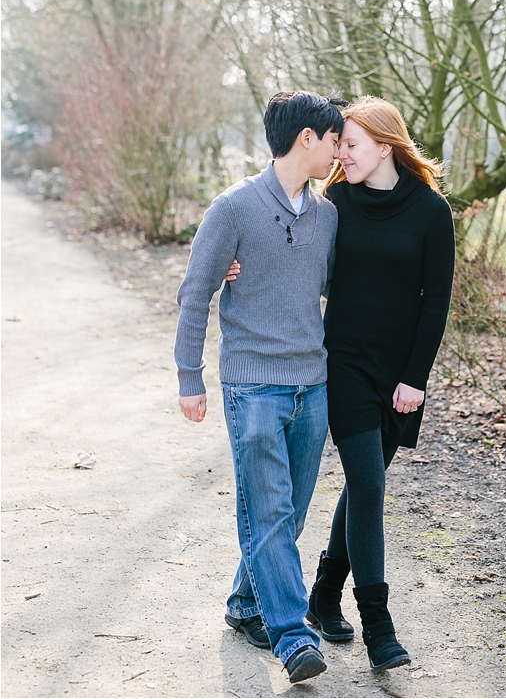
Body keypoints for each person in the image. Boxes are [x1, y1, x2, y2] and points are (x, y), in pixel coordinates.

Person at [226, 96, 455, 671]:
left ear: (385, 145)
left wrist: (415, 379)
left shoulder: (432, 213)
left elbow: (436, 305)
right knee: (369, 486)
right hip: (343, 365)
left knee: (363, 486)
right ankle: (378, 624)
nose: (340, 153)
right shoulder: (335, 206)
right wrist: (239, 265)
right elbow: (295, 258)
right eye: (339, 142)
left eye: (351, 144)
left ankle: (324, 593)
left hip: (399, 373)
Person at [174, 90, 344, 685]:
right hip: (252, 386)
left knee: (289, 513)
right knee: (268, 510)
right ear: (307, 139)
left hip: (312, 386)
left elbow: (330, 289)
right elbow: (195, 294)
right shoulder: (234, 208)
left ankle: (247, 604)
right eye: (333, 140)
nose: (337, 151)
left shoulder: (327, 215)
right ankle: (292, 637)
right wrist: (189, 377)